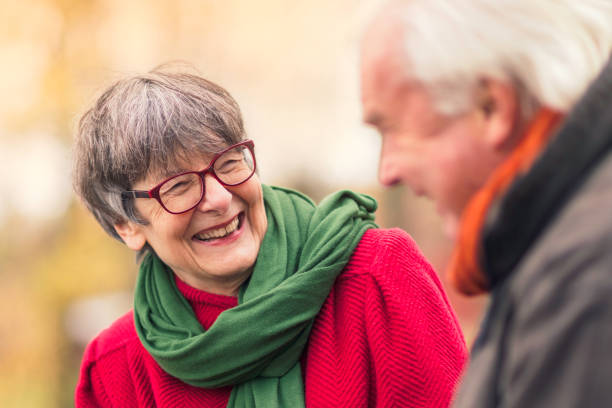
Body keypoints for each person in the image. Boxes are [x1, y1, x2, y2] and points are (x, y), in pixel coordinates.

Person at [73, 66, 467, 407]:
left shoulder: (377, 276)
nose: (220, 198)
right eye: (178, 187)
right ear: (126, 225)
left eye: (228, 163)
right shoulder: (115, 367)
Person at [360, 0, 612, 406]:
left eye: (391, 128)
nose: (387, 172)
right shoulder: (553, 243)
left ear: (492, 106)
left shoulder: (583, 277)